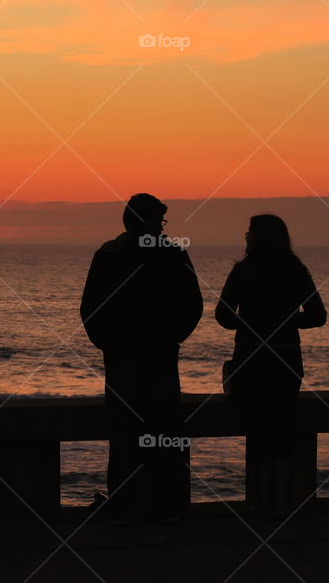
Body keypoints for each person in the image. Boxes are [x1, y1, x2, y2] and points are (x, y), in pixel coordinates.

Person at [80, 193, 203, 523]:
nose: (161, 228)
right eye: (159, 221)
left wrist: (110, 345)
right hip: (160, 359)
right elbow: (193, 307)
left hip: (122, 362)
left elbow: (90, 310)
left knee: (124, 437)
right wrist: (171, 338)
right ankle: (166, 506)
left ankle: (125, 505)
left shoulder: (108, 256)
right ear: (147, 221)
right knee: (163, 433)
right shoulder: (174, 257)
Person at [215, 214, 326, 519]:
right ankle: (282, 502)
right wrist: (288, 321)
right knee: (282, 430)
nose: (245, 237)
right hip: (287, 360)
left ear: (258, 238)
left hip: (251, 359)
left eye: (249, 232)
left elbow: (223, 315)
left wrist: (249, 324)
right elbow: (317, 315)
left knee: (259, 432)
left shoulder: (243, 271)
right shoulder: (295, 270)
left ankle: (262, 503)